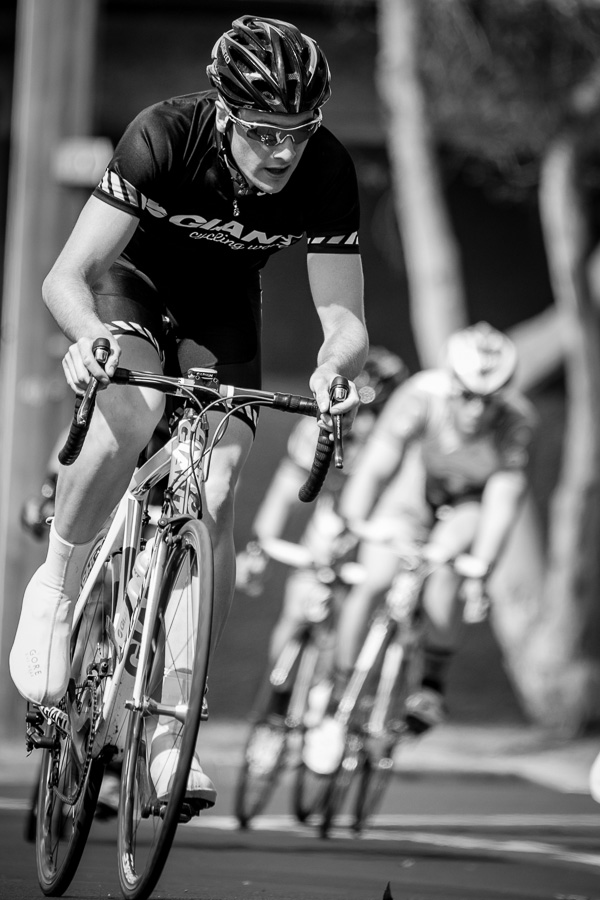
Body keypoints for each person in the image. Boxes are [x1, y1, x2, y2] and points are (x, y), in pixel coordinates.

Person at [9, 15, 368, 811]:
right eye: (264, 132)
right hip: (130, 291)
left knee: (216, 488)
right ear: (224, 113)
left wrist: (334, 366)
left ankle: (173, 727)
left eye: (298, 133)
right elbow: (69, 275)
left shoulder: (327, 169)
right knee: (133, 414)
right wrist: (91, 337)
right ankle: (58, 590)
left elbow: (345, 320)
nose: (283, 152)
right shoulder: (164, 135)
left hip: (224, 314)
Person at [303, 323, 537, 774]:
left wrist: (481, 569)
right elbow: (377, 464)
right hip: (415, 490)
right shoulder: (422, 395)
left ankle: (430, 684)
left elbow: (503, 500)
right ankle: (338, 692)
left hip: (468, 501)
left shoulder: (518, 421)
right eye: (467, 396)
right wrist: (352, 522)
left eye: (488, 400)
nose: (475, 410)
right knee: (374, 579)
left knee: (447, 571)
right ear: (452, 382)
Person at [236, 348, 407, 719]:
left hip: (374, 513)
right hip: (331, 510)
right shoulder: (315, 428)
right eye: (360, 413)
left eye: (375, 415)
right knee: (300, 602)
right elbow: (284, 492)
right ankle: (275, 704)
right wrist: (257, 549)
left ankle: (340, 700)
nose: (362, 426)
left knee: (358, 601)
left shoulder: (401, 441)